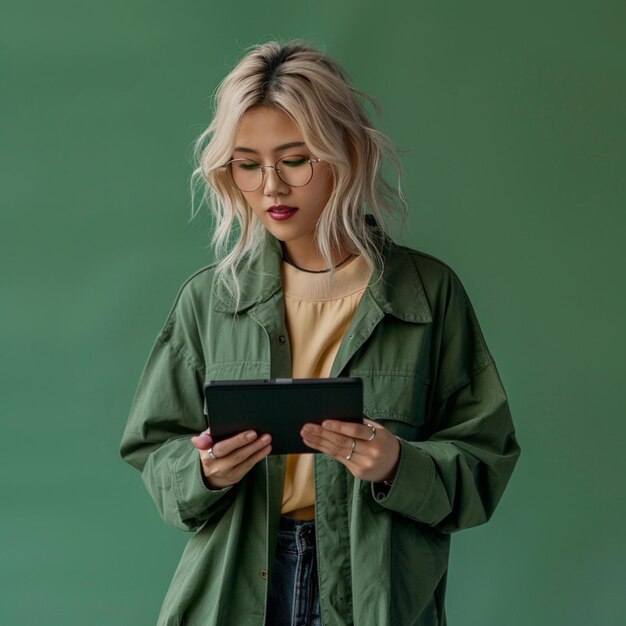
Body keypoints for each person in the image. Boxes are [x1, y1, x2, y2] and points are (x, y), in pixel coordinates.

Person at [120, 40, 520, 626]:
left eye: (296, 159)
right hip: (237, 584)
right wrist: (201, 470)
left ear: (346, 153)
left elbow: (486, 460)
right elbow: (154, 449)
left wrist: (396, 464)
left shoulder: (428, 293)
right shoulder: (210, 299)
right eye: (248, 164)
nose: (272, 188)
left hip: (373, 585)